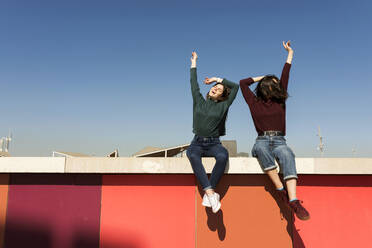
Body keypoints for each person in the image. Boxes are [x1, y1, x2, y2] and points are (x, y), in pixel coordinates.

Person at [239, 41, 310, 220]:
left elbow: (286, 74)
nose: (278, 85)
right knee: (261, 150)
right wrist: (263, 77)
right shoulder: (253, 102)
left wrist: (290, 54)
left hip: (280, 141)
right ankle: (281, 190)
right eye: (274, 83)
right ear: (266, 86)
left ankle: (293, 200)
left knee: (287, 154)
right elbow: (242, 83)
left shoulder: (280, 101)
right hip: (261, 140)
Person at [186, 51, 239, 213]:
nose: (215, 88)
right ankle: (210, 193)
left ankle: (210, 191)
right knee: (192, 154)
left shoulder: (224, 106)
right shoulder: (199, 102)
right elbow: (194, 84)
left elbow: (235, 86)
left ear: (223, 95)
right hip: (198, 142)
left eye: (219, 88)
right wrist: (194, 63)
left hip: (214, 143)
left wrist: (217, 79)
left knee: (223, 156)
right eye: (214, 87)